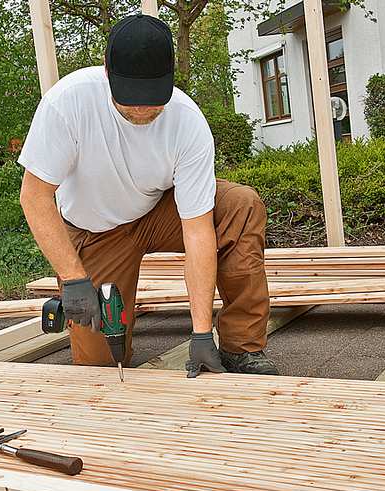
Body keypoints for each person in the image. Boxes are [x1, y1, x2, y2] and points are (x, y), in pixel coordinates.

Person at [18, 14, 276, 377]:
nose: (141, 108)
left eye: (152, 98)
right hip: (95, 233)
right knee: (101, 367)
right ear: (108, 72)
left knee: (239, 206)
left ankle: (240, 348)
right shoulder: (68, 103)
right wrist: (73, 278)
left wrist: (201, 332)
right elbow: (34, 197)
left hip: (156, 213)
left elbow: (198, 229)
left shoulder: (187, 122)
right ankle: (103, 340)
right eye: (130, 98)